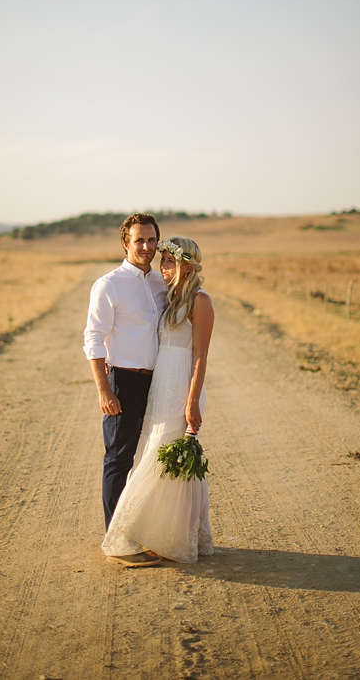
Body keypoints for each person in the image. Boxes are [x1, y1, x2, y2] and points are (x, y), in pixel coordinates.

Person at [101, 235, 215, 565]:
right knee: (159, 456)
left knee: (163, 456)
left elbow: (200, 355)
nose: (162, 266)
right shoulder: (170, 297)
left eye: (169, 261)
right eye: (162, 260)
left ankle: (158, 534)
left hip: (182, 385)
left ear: (187, 265)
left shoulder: (200, 300)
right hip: (161, 383)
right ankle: (163, 532)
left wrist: (192, 401)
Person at [84, 213, 168, 567]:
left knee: (152, 459)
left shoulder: (161, 283)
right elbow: (93, 338)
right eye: (139, 241)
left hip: (159, 380)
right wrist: (105, 390)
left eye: (151, 241)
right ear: (125, 244)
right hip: (123, 379)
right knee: (119, 459)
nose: (146, 247)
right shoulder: (110, 284)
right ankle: (115, 540)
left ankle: (142, 532)